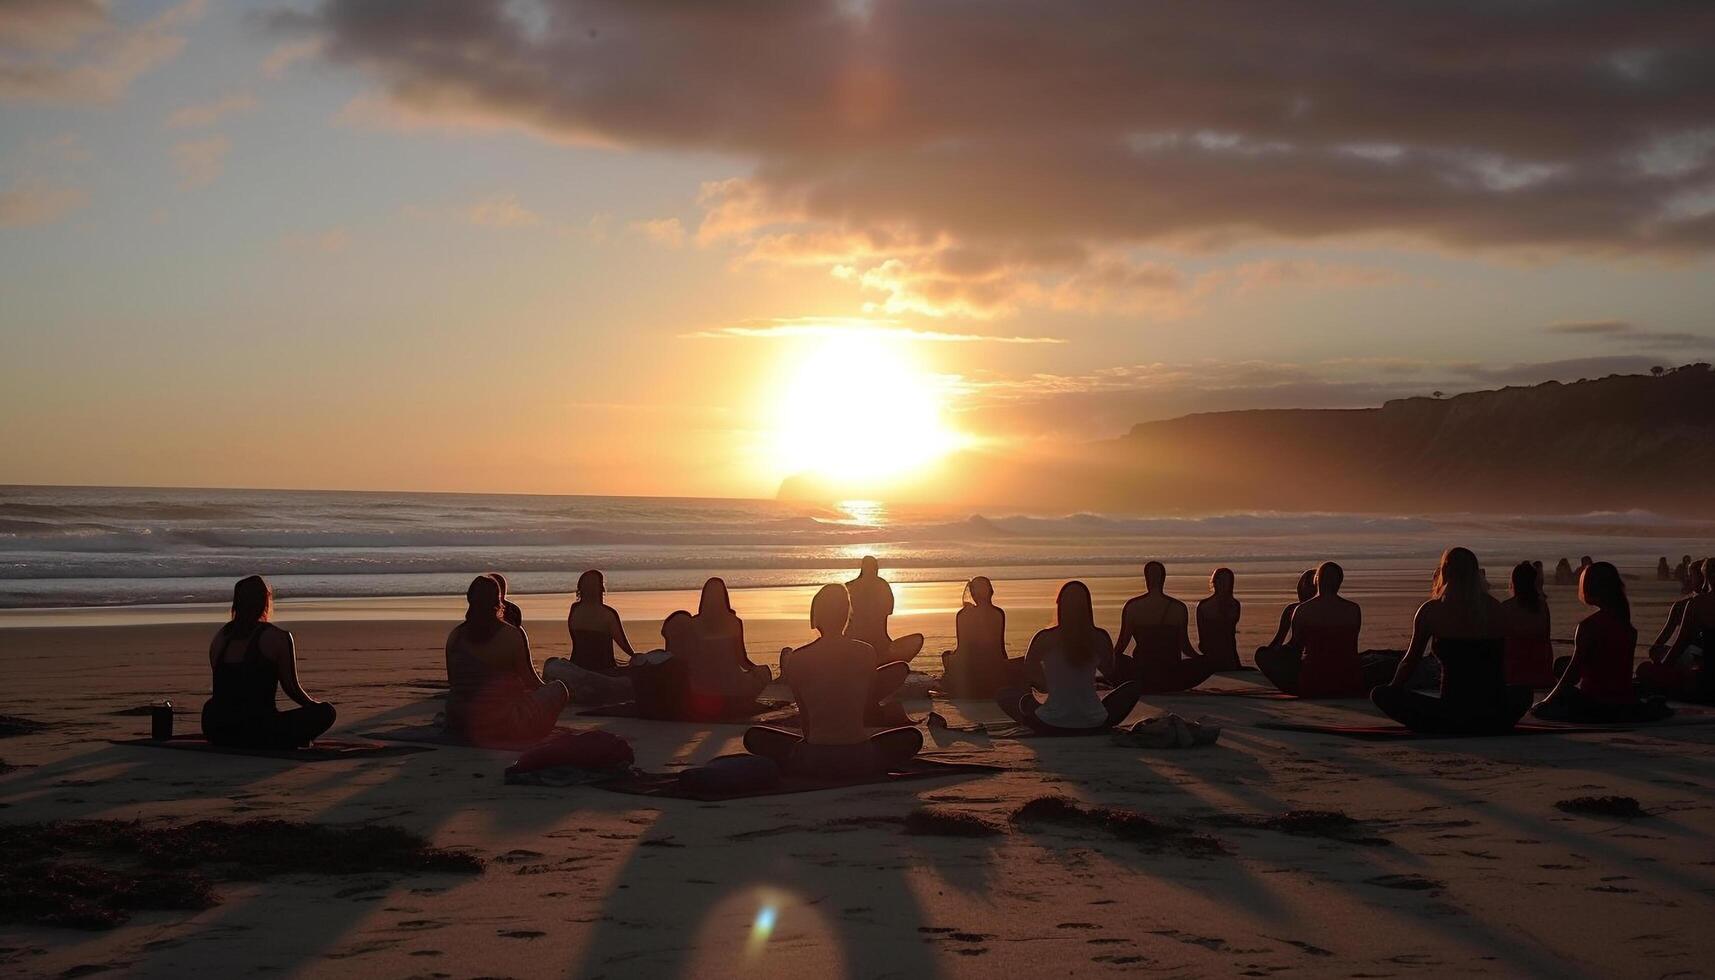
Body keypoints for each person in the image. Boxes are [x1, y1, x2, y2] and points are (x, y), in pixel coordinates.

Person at [744, 584, 922, 777]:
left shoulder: (797, 658)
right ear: (846, 616)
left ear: (815, 618)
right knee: (911, 738)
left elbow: (806, 720)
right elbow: (864, 706)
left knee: (756, 737)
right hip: (859, 755)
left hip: (813, 758)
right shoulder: (866, 652)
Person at [1371, 548, 1532, 734]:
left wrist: (1393, 690)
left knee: (1380, 694)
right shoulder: (1496, 608)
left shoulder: (1431, 611)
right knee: (1523, 692)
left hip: (1453, 712)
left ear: (1444, 570)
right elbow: (1504, 659)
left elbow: (1410, 661)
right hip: (1496, 710)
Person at [201, 575, 337, 749]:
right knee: (326, 712)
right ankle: (288, 738)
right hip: (258, 728)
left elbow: (223, 686)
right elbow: (291, 688)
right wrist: (313, 707)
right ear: (263, 602)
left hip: (217, 728)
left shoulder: (220, 637)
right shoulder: (277, 637)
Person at [996, 581, 1141, 735]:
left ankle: (1048, 718)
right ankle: (1088, 715)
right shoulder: (1099, 636)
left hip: (1051, 722)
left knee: (1006, 695)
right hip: (1094, 721)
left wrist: (1046, 684)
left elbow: (1029, 671)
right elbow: (1109, 670)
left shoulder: (1044, 637)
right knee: (1131, 689)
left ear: (1059, 604)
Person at [1536, 562, 1672, 722]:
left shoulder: (1589, 626)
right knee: (1562, 664)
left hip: (1596, 703)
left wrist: (1547, 701)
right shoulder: (1626, 625)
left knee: (1562, 693)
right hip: (1624, 702)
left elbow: (1573, 674)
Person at [444, 575, 569, 745]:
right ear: (498, 599)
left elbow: (453, 681)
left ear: (470, 599)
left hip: (458, 720)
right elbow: (531, 682)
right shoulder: (511, 635)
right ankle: (533, 732)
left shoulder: (455, 635)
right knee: (559, 689)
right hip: (500, 722)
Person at [1257, 562, 1367, 697]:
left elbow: (1295, 646)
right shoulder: (1354, 609)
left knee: (1263, 655)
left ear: (1316, 581)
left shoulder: (1303, 609)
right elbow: (1352, 646)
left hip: (1313, 681)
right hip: (1349, 680)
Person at [1111, 562, 1214, 693]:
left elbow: (1120, 647)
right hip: (1171, 675)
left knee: (1116, 661)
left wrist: (1106, 662)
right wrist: (1203, 660)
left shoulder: (1133, 606)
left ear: (1146, 579)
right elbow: (1185, 647)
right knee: (1208, 662)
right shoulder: (1178, 608)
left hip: (1143, 674)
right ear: (1163, 579)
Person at [1637, 557, 1715, 704]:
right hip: (1701, 669)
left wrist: (1660, 670)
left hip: (1705, 678)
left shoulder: (1696, 605)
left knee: (1645, 670)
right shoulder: (1691, 604)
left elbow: (1679, 645)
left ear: (1706, 577)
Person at [939, 576, 1011, 698]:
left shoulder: (962, 615)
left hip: (970, 668)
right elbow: (1000, 647)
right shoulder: (998, 613)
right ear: (991, 592)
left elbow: (961, 647)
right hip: (992, 667)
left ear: (973, 594)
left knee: (946, 655)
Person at [846, 556, 924, 663]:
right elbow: (888, 610)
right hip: (874, 640)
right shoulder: (882, 585)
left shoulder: (849, 587)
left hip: (854, 639)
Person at [565, 570, 636, 675]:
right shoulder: (608, 614)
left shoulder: (575, 609)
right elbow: (623, 644)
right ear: (601, 589)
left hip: (577, 665)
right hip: (603, 669)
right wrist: (636, 656)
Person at [1499, 560, 1554, 687]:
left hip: (1513, 670)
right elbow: (1546, 639)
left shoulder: (1506, 607)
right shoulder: (1542, 606)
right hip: (1539, 667)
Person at [1646, 558, 1707, 664]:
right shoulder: (1684, 605)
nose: (1688, 580)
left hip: (1693, 655)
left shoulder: (1684, 605)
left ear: (1704, 578)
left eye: (1691, 576)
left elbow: (1667, 641)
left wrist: (1665, 663)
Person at [1255, 569, 1317, 663]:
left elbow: (1279, 640)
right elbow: (1279, 639)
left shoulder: (1296, 609)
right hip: (1295, 652)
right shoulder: (1292, 609)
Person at [1196, 567, 1244, 671]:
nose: (1223, 584)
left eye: (1226, 581)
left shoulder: (1235, 605)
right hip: (1211, 652)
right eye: (1220, 580)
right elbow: (1202, 638)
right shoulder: (1203, 605)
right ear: (1214, 582)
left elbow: (1230, 634)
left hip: (1229, 653)